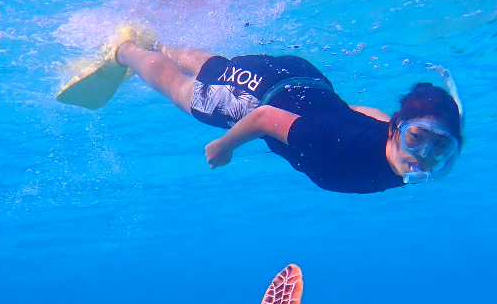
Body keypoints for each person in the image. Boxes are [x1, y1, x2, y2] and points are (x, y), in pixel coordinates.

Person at [111, 40, 463, 194]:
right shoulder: (334, 144)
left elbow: (359, 111)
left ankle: (160, 43)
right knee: (186, 92)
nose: (423, 155)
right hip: (264, 94)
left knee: (219, 69)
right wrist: (224, 144)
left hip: (306, 79)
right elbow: (264, 117)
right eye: (416, 138)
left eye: (440, 146)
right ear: (397, 129)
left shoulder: (391, 136)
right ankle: (125, 50)